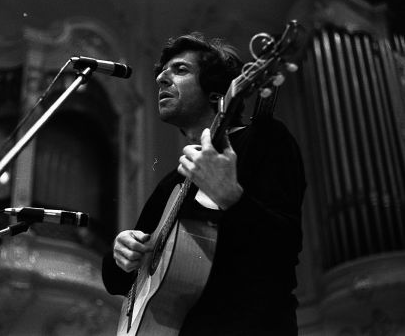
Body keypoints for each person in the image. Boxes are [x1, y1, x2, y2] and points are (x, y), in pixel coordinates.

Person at [102, 32, 306, 335]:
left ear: (216, 92)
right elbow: (118, 280)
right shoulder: (171, 184)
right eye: (162, 71)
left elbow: (284, 247)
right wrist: (121, 255)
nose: (161, 78)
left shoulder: (264, 140)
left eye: (180, 70)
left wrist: (232, 199)